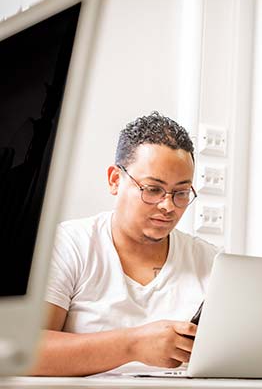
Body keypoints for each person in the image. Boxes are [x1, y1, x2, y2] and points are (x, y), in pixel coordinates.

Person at [29, 112, 218, 376]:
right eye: (152, 189)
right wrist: (134, 345)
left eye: (181, 193)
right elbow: (23, 352)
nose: (167, 206)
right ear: (115, 180)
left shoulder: (211, 261)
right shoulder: (69, 245)